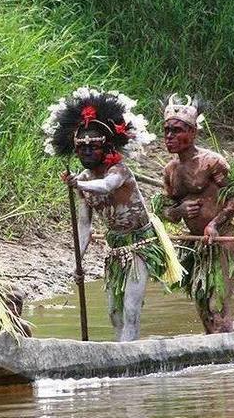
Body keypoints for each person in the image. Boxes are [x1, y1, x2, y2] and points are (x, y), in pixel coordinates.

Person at [43, 88, 183, 341]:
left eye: (92, 146)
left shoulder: (119, 171)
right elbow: (84, 226)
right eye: (81, 147)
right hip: (116, 247)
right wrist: (78, 260)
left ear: (105, 147)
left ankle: (128, 355)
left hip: (141, 245)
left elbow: (106, 187)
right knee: (114, 313)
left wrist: (78, 185)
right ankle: (124, 350)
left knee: (130, 308)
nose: (86, 151)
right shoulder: (83, 180)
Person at [159, 94, 234, 334]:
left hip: (222, 239)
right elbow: (165, 212)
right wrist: (178, 210)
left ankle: (228, 354)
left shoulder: (212, 162)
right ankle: (218, 349)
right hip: (197, 244)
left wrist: (215, 224)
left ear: (193, 132)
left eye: (177, 131)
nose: (170, 136)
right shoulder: (170, 171)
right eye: (167, 130)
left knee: (217, 304)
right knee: (203, 307)